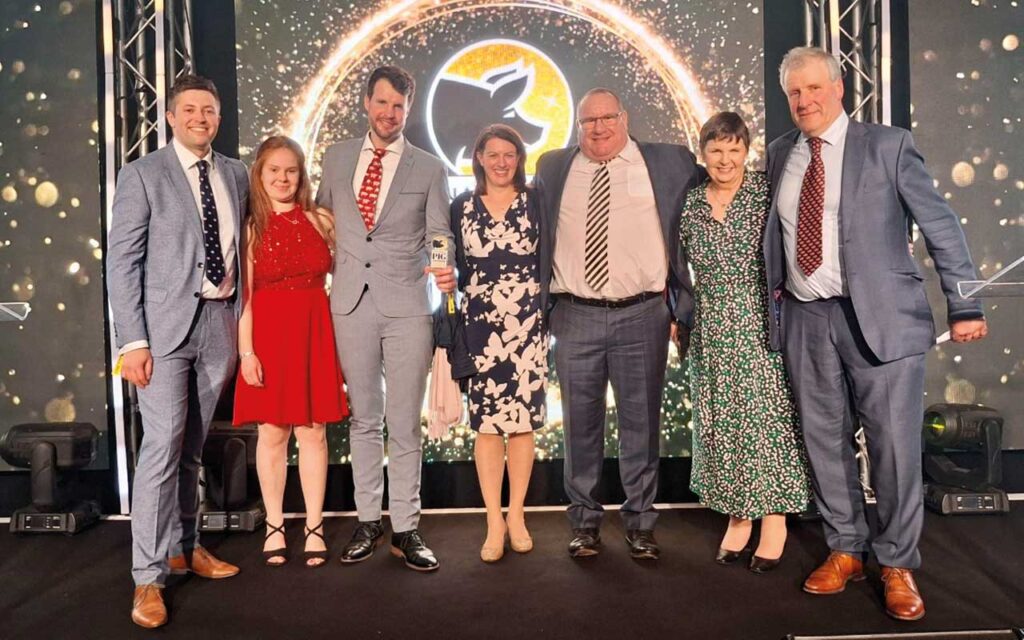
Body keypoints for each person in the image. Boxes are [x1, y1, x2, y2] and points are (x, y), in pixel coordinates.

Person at [766, 47, 988, 620]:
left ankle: (897, 562)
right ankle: (845, 548)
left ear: (839, 88)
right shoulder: (778, 156)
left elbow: (939, 223)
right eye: (794, 92)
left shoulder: (887, 146)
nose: (804, 100)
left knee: (893, 448)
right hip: (807, 321)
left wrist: (964, 304)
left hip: (884, 320)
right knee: (823, 443)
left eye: (814, 88)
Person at [533, 88, 703, 560]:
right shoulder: (552, 167)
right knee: (579, 428)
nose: (599, 128)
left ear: (625, 118)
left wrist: (680, 304)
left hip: (643, 314)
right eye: (589, 121)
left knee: (640, 425)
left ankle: (640, 523)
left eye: (607, 118)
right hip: (575, 313)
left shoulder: (670, 162)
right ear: (577, 125)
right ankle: (584, 524)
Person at [107, 74, 247, 628]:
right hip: (161, 336)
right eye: (189, 109)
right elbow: (123, 265)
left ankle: (184, 547)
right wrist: (132, 342)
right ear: (171, 116)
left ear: (217, 116)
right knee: (161, 449)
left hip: (219, 325)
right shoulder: (143, 175)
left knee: (193, 445)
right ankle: (147, 579)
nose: (200, 118)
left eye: (208, 110)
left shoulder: (235, 173)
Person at [315, 65, 455, 572]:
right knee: (364, 418)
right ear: (366, 104)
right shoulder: (335, 158)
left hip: (407, 306)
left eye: (398, 106)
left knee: (403, 421)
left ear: (407, 110)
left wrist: (443, 267)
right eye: (381, 103)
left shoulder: (429, 167)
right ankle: (368, 519)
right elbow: (323, 222)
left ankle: (406, 527)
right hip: (349, 302)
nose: (389, 113)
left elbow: (440, 231)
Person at [679, 112, 811, 573]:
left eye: (734, 149)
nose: (725, 159)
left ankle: (772, 516)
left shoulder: (763, 195)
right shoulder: (692, 204)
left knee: (763, 421)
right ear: (703, 154)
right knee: (724, 423)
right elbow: (679, 272)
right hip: (711, 330)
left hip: (758, 324)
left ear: (746, 152)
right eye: (716, 150)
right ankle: (739, 514)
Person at [232, 136, 349, 568]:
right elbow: (243, 298)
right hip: (268, 338)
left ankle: (315, 526)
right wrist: (247, 354)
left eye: (291, 170)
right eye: (274, 171)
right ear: (259, 176)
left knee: (314, 432)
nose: (283, 178)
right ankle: (276, 525)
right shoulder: (249, 228)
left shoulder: (321, 221)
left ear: (301, 175)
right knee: (273, 434)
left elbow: (356, 270)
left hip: (315, 332)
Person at [450, 125, 549, 563]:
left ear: (519, 159)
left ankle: (517, 515)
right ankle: (493, 519)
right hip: (480, 327)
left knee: (522, 423)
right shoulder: (461, 207)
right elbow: (446, 260)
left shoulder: (537, 201)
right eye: (494, 154)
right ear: (479, 157)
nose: (502, 162)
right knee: (488, 427)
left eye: (510, 154)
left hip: (527, 325)